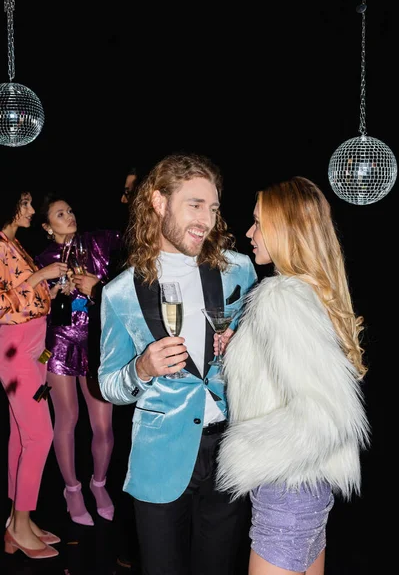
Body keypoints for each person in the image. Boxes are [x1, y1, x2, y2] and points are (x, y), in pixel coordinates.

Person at [98, 152, 258, 575]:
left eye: (214, 207)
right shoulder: (119, 293)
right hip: (160, 455)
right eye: (195, 204)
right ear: (158, 202)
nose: (207, 219)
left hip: (229, 450)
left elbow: (261, 348)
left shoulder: (238, 270)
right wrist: (141, 370)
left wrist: (244, 343)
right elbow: (108, 384)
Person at [215, 176, 370, 575]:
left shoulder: (280, 297)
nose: (248, 233)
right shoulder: (314, 291)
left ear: (287, 229)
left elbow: (324, 414)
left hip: (286, 490)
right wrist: (242, 349)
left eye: (258, 223)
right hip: (311, 487)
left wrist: (245, 453)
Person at [35, 192, 121, 526]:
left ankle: (98, 484)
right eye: (59, 214)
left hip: (97, 342)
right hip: (58, 343)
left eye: (70, 210)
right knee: (67, 417)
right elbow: (31, 306)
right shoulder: (42, 258)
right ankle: (71, 489)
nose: (69, 216)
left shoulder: (97, 242)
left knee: (103, 425)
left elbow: (133, 241)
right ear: (47, 226)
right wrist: (53, 292)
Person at [0, 189, 68, 559]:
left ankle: (17, 520)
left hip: (33, 346)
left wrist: (51, 288)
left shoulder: (13, 243)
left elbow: (23, 292)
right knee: (40, 435)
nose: (29, 209)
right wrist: (40, 275)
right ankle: (21, 524)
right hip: (13, 349)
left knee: (21, 435)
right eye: (24, 203)